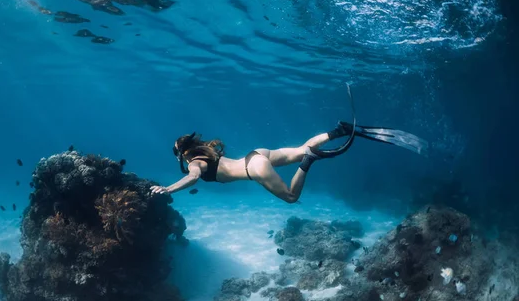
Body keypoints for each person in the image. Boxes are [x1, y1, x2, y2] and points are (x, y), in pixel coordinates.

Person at [150, 122, 427, 203]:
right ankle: (337, 131)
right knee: (300, 147)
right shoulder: (207, 152)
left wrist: (168, 189)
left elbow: (193, 178)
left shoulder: (194, 163)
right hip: (255, 155)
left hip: (254, 169)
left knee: (292, 197)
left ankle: (308, 162)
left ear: (183, 154)